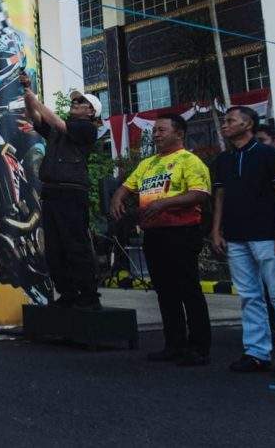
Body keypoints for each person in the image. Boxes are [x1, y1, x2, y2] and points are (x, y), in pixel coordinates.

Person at [110, 113, 212, 366]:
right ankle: (174, 344)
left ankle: (199, 347)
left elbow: (200, 194)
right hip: (154, 233)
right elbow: (127, 185)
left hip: (182, 231)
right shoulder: (147, 164)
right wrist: (117, 197)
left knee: (188, 289)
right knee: (165, 291)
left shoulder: (189, 160)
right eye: (154, 130)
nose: (155, 134)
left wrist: (165, 203)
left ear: (179, 133)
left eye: (161, 130)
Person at [210, 106, 275, 377]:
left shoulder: (269, 155)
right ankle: (257, 352)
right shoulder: (223, 160)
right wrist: (217, 230)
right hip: (235, 236)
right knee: (249, 296)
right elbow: (219, 197)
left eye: (230, 120)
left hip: (267, 235)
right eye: (225, 121)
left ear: (248, 124)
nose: (225, 124)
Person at [20, 71, 101, 310]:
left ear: (91, 112)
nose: (76, 103)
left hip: (72, 192)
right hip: (52, 192)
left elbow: (55, 121)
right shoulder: (59, 131)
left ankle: (88, 296)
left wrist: (35, 98)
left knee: (75, 245)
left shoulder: (86, 128)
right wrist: (27, 91)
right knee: (54, 248)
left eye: (81, 102)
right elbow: (34, 116)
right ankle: (67, 293)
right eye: (75, 100)